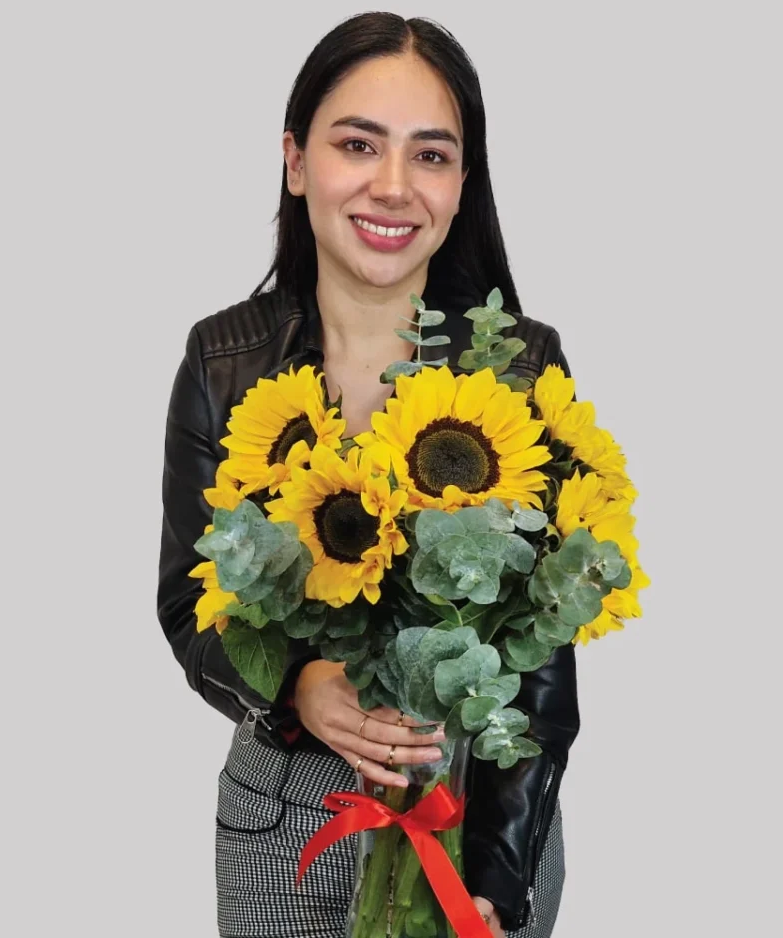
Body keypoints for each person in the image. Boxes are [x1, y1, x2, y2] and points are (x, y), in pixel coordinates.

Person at [157, 12, 580, 938]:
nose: (394, 186)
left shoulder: (518, 368)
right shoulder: (223, 363)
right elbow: (190, 611)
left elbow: (543, 668)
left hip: (479, 821)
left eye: (432, 156)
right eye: (358, 144)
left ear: (463, 183)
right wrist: (296, 683)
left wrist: (497, 888)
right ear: (296, 160)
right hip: (285, 827)